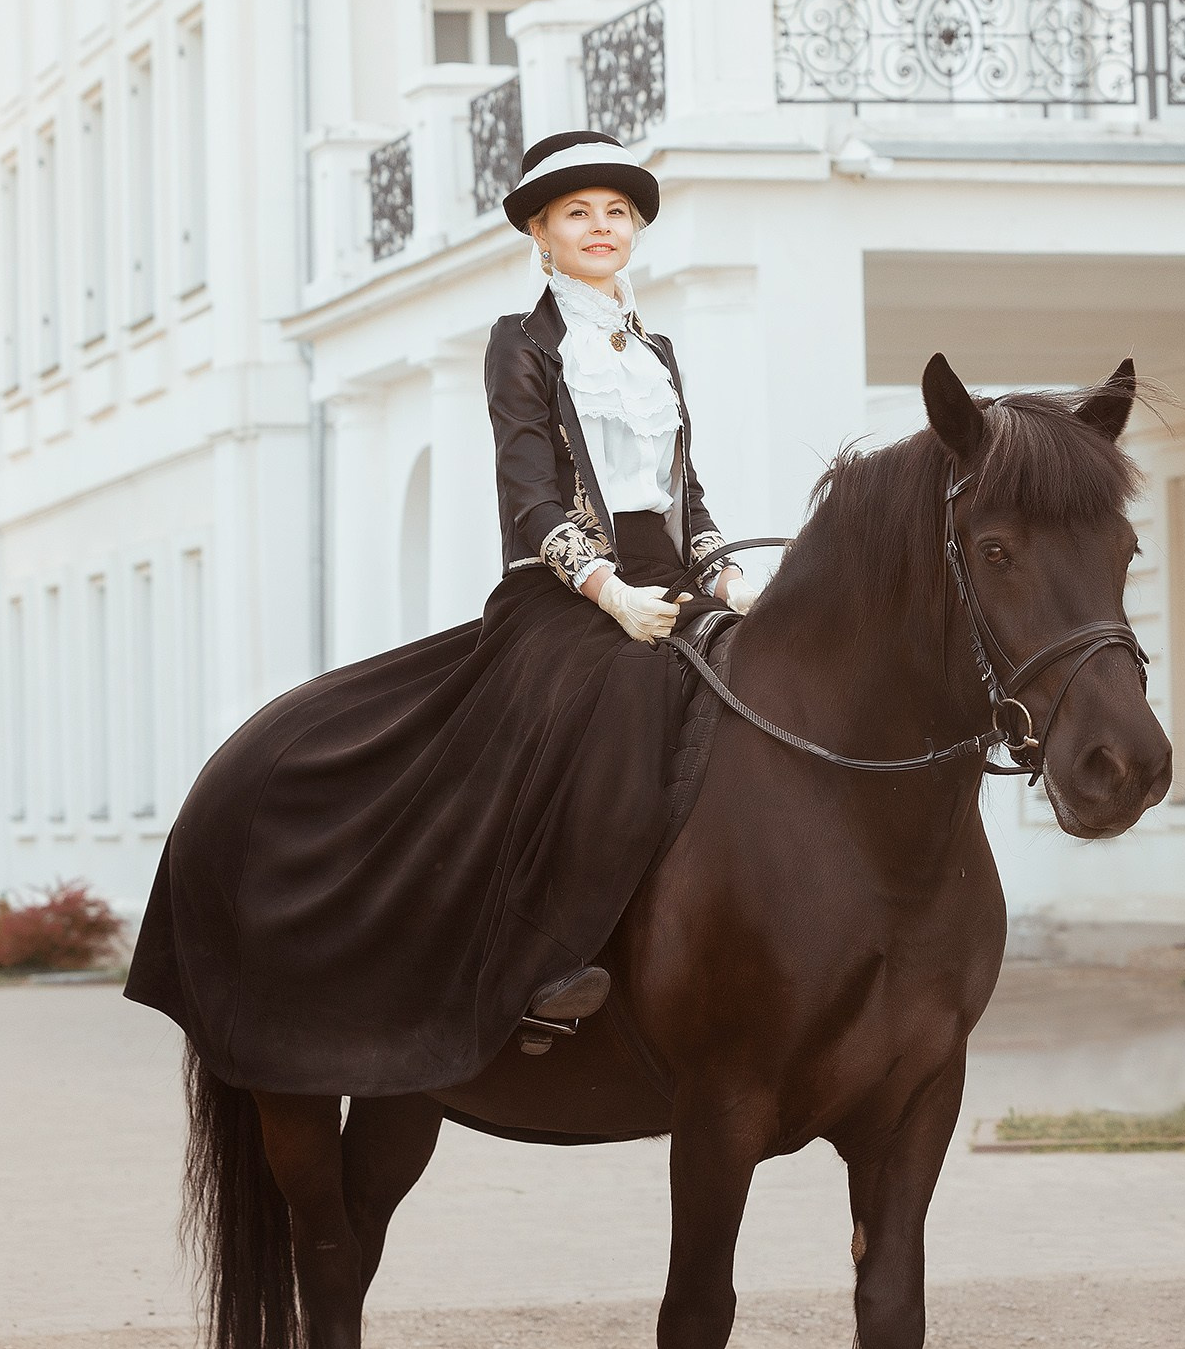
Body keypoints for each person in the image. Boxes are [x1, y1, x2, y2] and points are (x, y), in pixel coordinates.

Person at [123, 131, 758, 1098]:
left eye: (617, 213)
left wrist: (727, 576)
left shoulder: (657, 350)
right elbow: (531, 495)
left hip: (669, 586)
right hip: (569, 598)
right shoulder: (524, 341)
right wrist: (608, 591)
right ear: (542, 235)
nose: (601, 227)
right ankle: (549, 963)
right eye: (578, 213)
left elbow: (686, 491)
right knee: (618, 705)